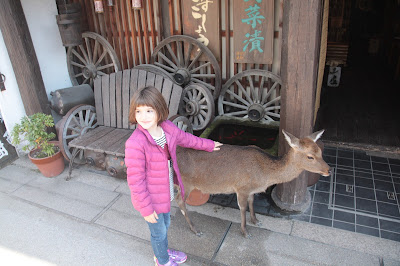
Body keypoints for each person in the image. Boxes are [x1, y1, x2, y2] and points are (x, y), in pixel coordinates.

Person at [125, 86, 222, 266]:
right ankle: (162, 260)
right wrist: (146, 210)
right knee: (158, 232)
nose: (143, 116)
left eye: (149, 110)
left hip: (165, 190)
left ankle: (163, 251)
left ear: (159, 110)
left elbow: (188, 139)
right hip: (150, 199)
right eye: (138, 111)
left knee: (166, 224)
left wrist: (208, 145)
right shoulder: (135, 143)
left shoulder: (167, 128)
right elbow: (135, 182)